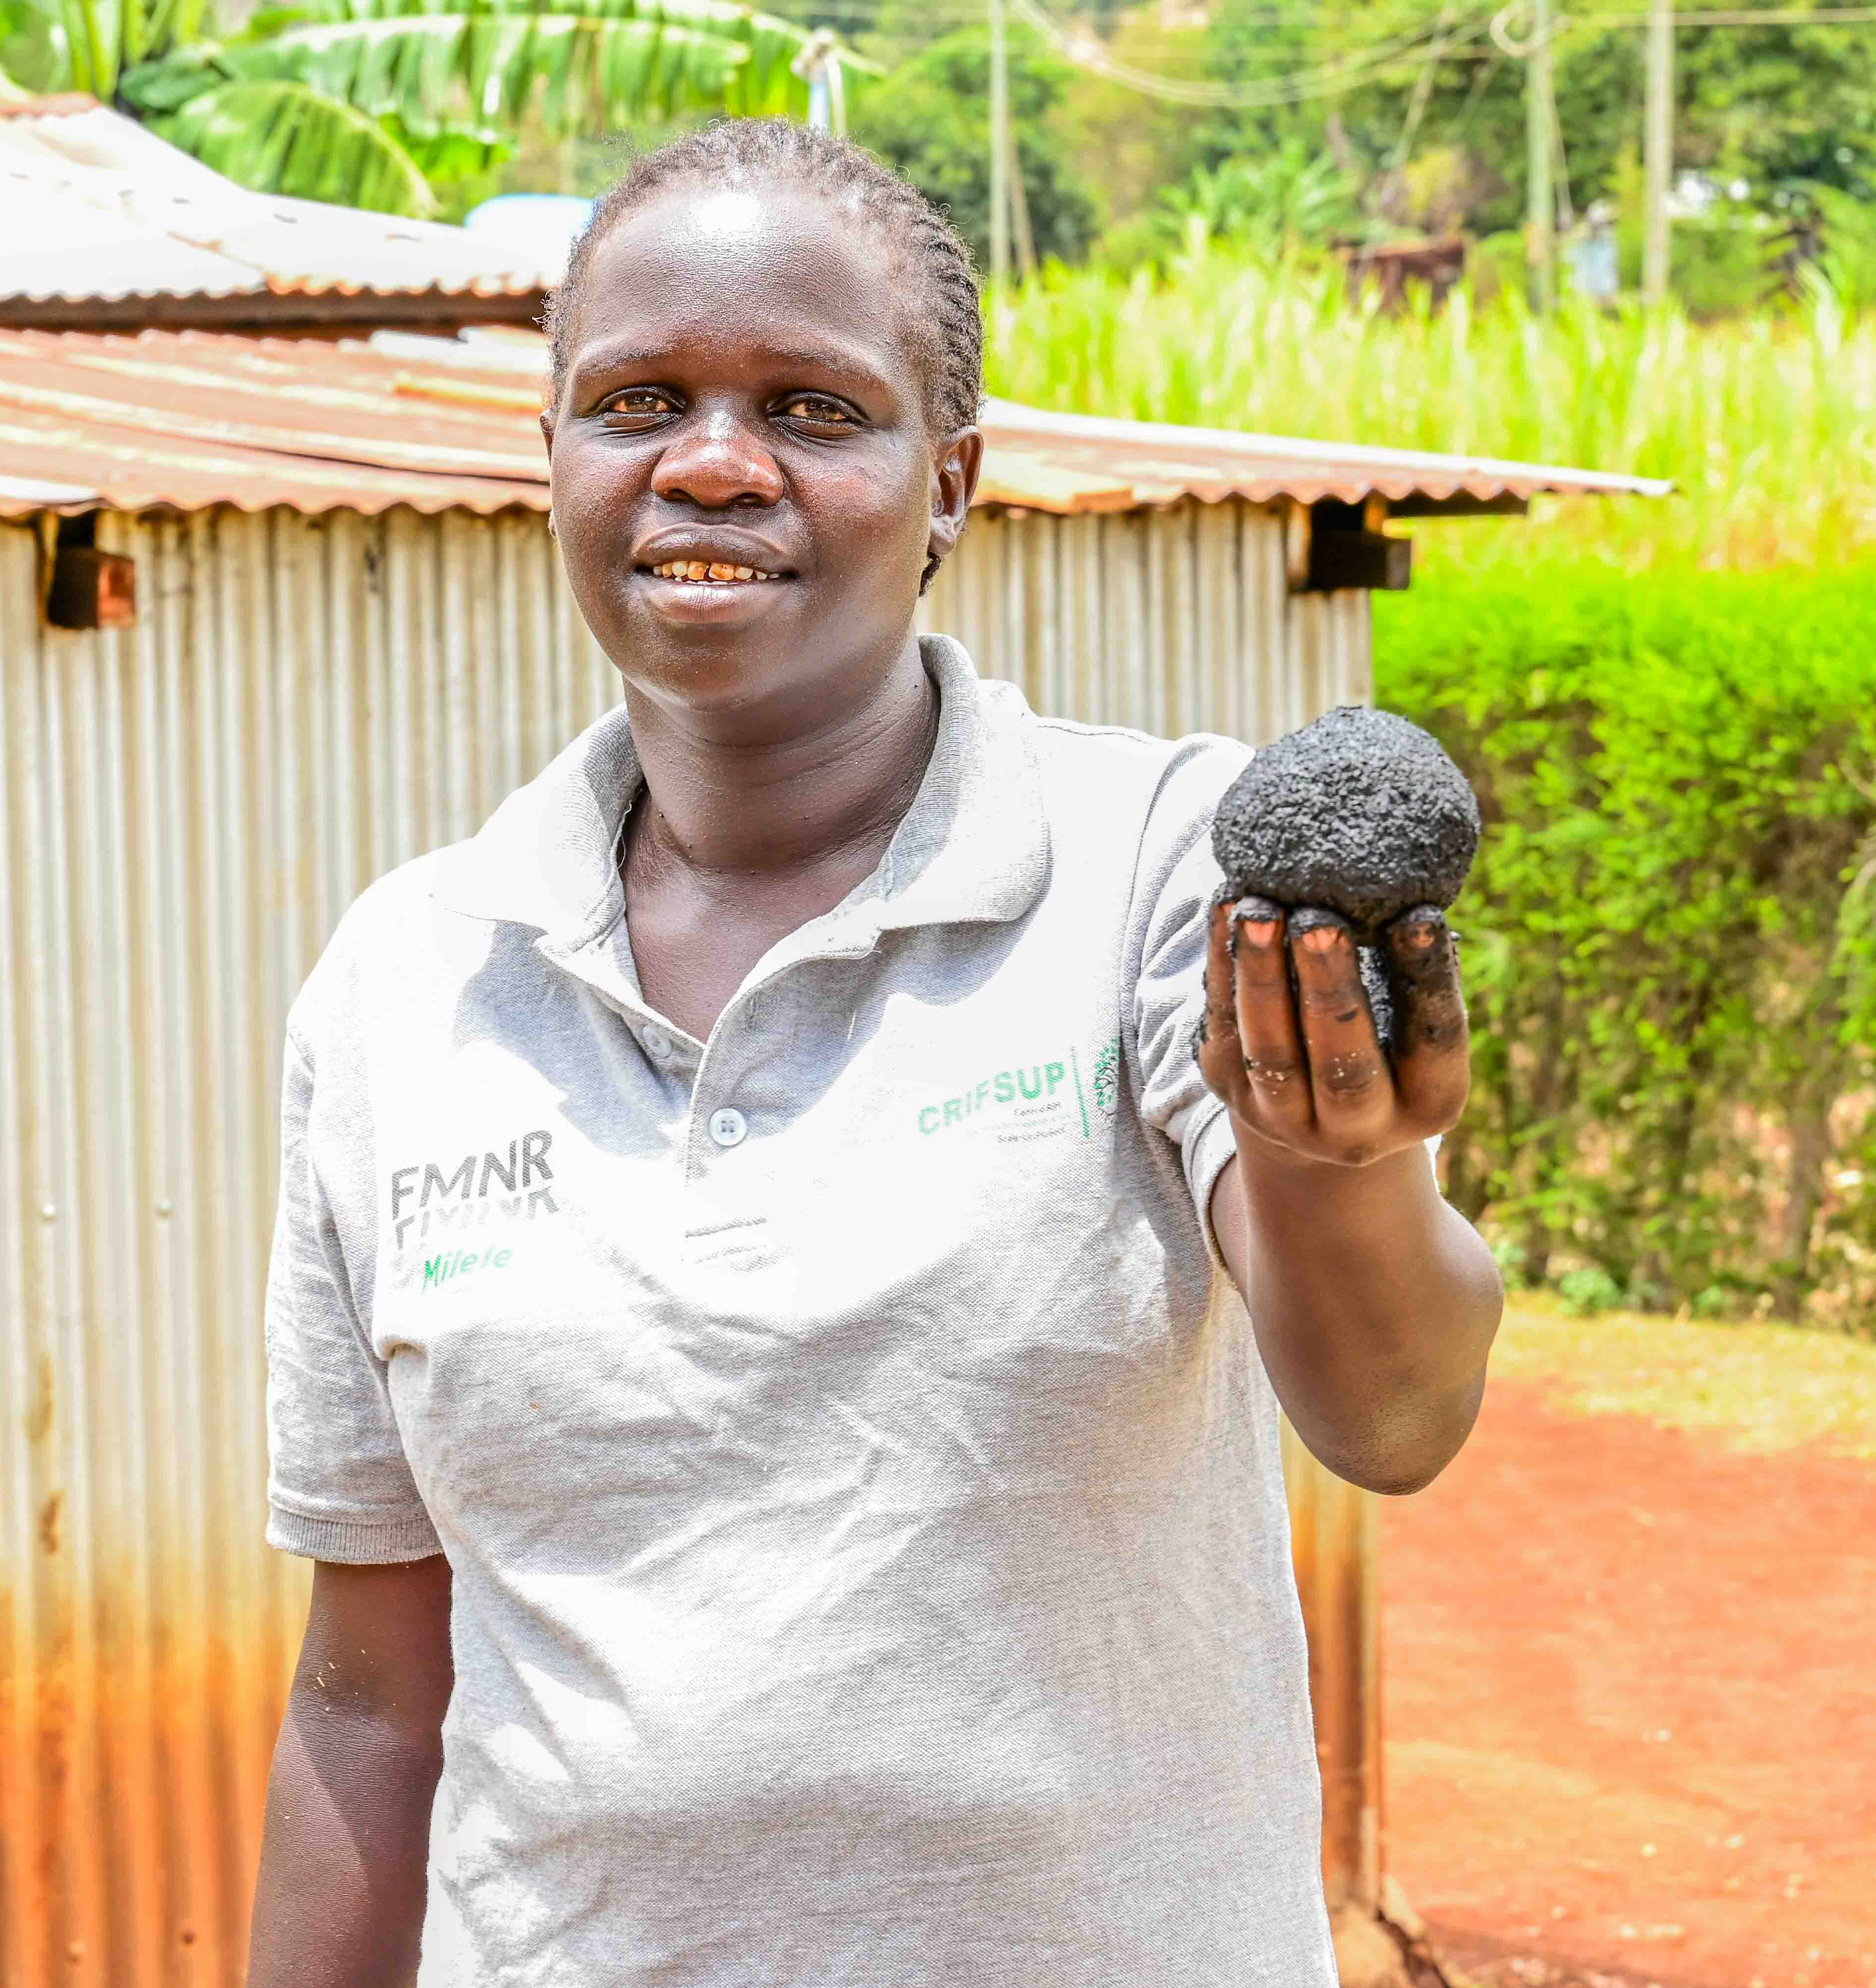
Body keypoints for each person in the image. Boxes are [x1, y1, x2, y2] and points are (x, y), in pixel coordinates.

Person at [244, 121, 1501, 1988]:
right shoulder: (406, 986)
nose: (714, 464)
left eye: (817, 412)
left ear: (950, 484)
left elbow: (1393, 1417)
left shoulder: (1156, 860)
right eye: (638, 400)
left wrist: (1341, 1160)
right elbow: (369, 1700)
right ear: (555, 461)